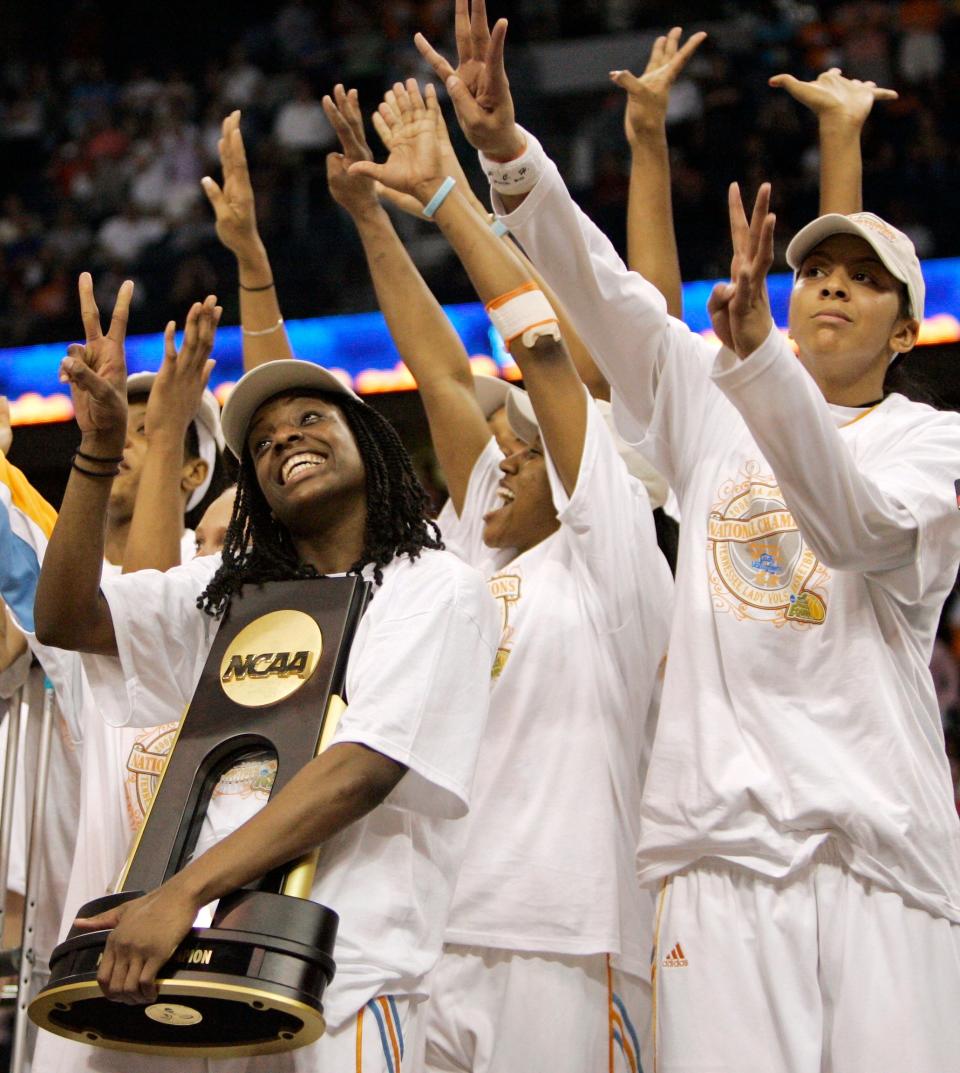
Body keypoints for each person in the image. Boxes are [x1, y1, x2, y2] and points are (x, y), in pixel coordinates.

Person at [415, 3, 960, 1068]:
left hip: (881, 846)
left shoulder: (930, 445)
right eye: (817, 271)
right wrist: (508, 159)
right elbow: (604, 292)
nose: (833, 285)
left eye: (865, 277)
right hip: (713, 853)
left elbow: (858, 530)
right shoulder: (710, 392)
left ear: (906, 331)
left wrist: (758, 363)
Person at [33, 284, 498, 1070]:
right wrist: (99, 449)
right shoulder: (227, 595)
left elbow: (359, 769)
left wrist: (181, 892)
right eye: (268, 442)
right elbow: (67, 619)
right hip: (187, 969)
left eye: (311, 420)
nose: (287, 442)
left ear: (369, 439)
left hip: (342, 982)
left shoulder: (437, 586)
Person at [343, 80, 672, 1072]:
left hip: (570, 935)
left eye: (526, 454)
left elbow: (543, 359)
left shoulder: (611, 550)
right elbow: (445, 377)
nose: (504, 460)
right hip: (441, 925)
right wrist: (368, 218)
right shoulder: (477, 554)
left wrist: (454, 198)